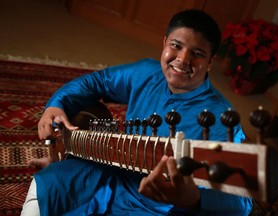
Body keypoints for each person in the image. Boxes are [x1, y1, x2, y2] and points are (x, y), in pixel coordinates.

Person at [21, 9, 252, 215]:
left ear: (210, 62)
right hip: (106, 172)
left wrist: (194, 198)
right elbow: (97, 81)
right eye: (176, 46)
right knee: (48, 186)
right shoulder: (146, 73)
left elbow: (243, 202)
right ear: (164, 43)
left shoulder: (220, 119)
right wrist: (55, 104)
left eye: (197, 54)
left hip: (150, 205)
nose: (182, 59)